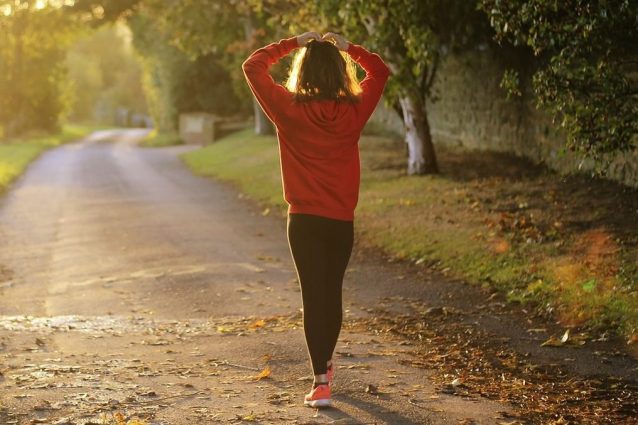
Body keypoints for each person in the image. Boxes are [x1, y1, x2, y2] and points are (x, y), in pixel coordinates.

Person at [242, 31, 390, 408]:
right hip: (340, 221)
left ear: (302, 71)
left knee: (313, 296)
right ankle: (325, 366)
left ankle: (321, 382)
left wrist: (294, 42)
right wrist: (349, 48)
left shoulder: (287, 108)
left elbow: (253, 65)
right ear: (341, 72)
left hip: (304, 221)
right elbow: (380, 71)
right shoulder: (354, 110)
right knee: (332, 294)